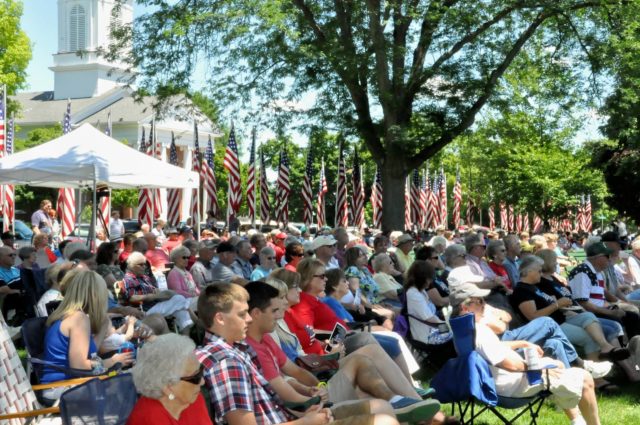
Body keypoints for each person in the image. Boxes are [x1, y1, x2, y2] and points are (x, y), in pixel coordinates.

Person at [195, 283, 399, 425]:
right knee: (384, 419)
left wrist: (303, 411)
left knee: (382, 408)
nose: (249, 319)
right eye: (242, 314)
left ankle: (406, 402)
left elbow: (271, 399)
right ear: (220, 318)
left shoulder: (237, 349)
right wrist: (305, 421)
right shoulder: (226, 362)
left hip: (291, 416)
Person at [244, 281, 441, 424]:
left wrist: (317, 385)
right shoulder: (257, 343)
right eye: (275, 309)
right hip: (308, 395)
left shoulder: (269, 335)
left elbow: (295, 370)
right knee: (367, 354)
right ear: (256, 313)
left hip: (316, 375)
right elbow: (287, 382)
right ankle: (412, 404)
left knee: (369, 358)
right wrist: (314, 396)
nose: (280, 313)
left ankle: (404, 400)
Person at [451, 284, 602, 425]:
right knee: (584, 378)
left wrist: (521, 344)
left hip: (495, 382)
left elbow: (491, 348)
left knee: (556, 359)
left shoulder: (463, 330)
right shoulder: (479, 331)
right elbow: (508, 364)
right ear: (465, 307)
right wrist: (539, 368)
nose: (484, 304)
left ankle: (575, 417)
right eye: (479, 301)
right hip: (510, 389)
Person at [509, 256, 615, 379]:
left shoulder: (534, 287)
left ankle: (604, 347)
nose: (541, 273)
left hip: (561, 319)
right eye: (539, 271)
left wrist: (557, 304)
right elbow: (533, 317)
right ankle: (597, 379)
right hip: (552, 327)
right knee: (588, 337)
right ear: (528, 272)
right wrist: (557, 304)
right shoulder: (522, 291)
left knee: (588, 316)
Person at [42, 270, 134, 398]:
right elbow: (79, 365)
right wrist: (111, 362)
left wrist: (102, 329)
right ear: (95, 295)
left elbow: (89, 355)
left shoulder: (70, 315)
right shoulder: (78, 319)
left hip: (64, 385)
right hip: (62, 388)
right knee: (132, 385)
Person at [127, 334, 212, 425]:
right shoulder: (148, 419)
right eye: (196, 377)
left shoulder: (194, 399)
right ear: (168, 387)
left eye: (201, 371)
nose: (202, 382)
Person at [568, 242, 640, 338]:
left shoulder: (597, 272)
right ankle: (627, 349)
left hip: (601, 309)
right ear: (598, 258)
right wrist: (611, 312)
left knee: (632, 316)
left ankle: (633, 346)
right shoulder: (582, 272)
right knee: (623, 319)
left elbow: (603, 296)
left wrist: (615, 305)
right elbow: (584, 303)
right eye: (607, 256)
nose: (610, 259)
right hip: (589, 314)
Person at [121, 252, 194, 334]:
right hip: (145, 310)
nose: (144, 267)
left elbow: (155, 290)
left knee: (180, 311)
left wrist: (160, 293)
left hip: (156, 305)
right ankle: (195, 323)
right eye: (141, 265)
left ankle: (186, 338)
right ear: (132, 265)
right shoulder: (129, 279)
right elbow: (131, 297)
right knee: (179, 299)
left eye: (144, 264)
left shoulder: (144, 277)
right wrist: (152, 296)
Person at [404, 260, 457, 367]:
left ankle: (455, 362)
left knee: (457, 329)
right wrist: (447, 324)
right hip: (427, 333)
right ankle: (454, 364)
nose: (430, 281)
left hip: (432, 326)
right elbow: (429, 318)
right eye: (429, 278)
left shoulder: (420, 291)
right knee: (457, 333)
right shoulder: (414, 294)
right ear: (421, 278)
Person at [344, 246, 395, 325]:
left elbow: (372, 291)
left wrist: (379, 303)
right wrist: (370, 306)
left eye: (364, 255)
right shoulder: (352, 269)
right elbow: (355, 290)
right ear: (353, 259)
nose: (365, 257)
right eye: (360, 256)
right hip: (362, 308)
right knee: (390, 313)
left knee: (397, 310)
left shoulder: (365, 270)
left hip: (374, 304)